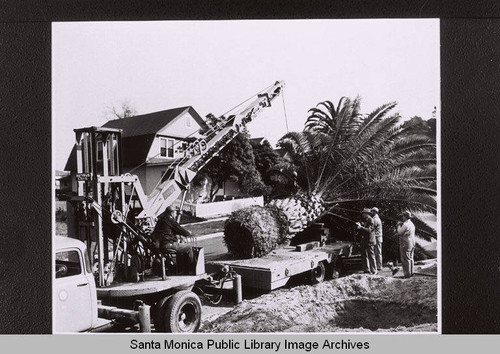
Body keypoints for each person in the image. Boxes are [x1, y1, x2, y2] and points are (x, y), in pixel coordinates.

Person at [150, 206, 194, 273]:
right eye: (175, 212)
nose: (176, 214)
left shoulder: (161, 220)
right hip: (168, 244)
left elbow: (167, 231)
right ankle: (190, 269)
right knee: (189, 248)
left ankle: (180, 268)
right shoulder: (170, 219)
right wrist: (188, 233)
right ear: (171, 213)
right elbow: (180, 229)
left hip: (160, 246)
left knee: (181, 247)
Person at [356, 208, 377, 275]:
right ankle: (366, 269)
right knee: (364, 255)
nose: (363, 214)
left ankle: (374, 270)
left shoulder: (371, 220)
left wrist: (360, 227)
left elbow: (369, 230)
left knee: (371, 255)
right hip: (364, 240)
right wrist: (359, 225)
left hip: (369, 241)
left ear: (367, 214)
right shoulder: (364, 219)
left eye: (364, 213)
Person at [396, 210, 416, 278]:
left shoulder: (405, 224)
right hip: (412, 242)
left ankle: (407, 274)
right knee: (411, 258)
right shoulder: (412, 224)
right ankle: (411, 272)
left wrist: (398, 225)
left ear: (405, 217)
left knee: (405, 259)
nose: (402, 217)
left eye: (403, 216)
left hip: (406, 243)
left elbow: (399, 232)